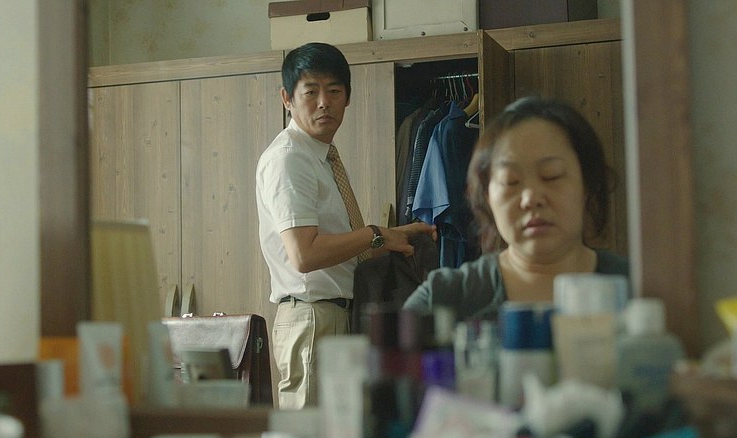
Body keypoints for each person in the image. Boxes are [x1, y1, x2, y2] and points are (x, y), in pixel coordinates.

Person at [255, 42, 436, 409]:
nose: (324, 102)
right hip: (313, 317)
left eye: (334, 91)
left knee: (342, 431)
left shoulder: (321, 157)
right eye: (311, 92)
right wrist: (374, 234)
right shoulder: (290, 158)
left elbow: (338, 245)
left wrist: (391, 237)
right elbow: (304, 255)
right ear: (287, 99)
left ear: (347, 98)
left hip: (336, 315)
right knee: (311, 433)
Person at [403, 96, 628, 320]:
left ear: (588, 184)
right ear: (487, 197)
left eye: (552, 176)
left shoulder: (638, 288)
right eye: (510, 181)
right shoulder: (441, 300)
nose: (531, 198)